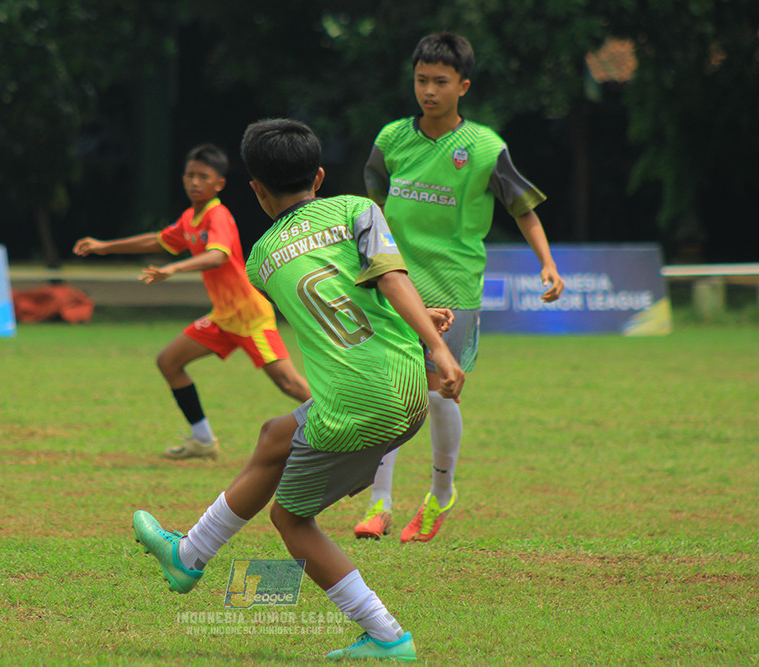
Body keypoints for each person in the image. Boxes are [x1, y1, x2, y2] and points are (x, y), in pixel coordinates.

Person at [132, 118, 465, 661]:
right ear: (319, 174)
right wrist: (436, 342)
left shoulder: (262, 258)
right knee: (273, 436)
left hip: (358, 403)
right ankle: (187, 556)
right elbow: (384, 280)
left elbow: (328, 292)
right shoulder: (358, 208)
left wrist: (431, 335)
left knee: (290, 519)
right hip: (403, 387)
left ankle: (386, 636)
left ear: (256, 190)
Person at [355, 31, 565, 542]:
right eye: (421, 80)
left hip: (453, 289)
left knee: (440, 396)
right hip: (397, 284)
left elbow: (524, 210)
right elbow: (371, 210)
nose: (429, 90)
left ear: (463, 86)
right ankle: (378, 503)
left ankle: (440, 494)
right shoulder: (390, 141)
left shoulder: (485, 148)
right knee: (389, 394)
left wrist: (549, 264)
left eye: (441, 82)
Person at [73, 144, 310, 460]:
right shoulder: (190, 219)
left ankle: (349, 428)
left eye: (203, 176)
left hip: (249, 315)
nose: (194, 182)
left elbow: (216, 256)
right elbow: (157, 240)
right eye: (190, 175)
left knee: (290, 385)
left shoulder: (218, 215)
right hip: (223, 316)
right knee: (169, 361)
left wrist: (174, 267)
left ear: (219, 184)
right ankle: (203, 440)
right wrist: (105, 247)